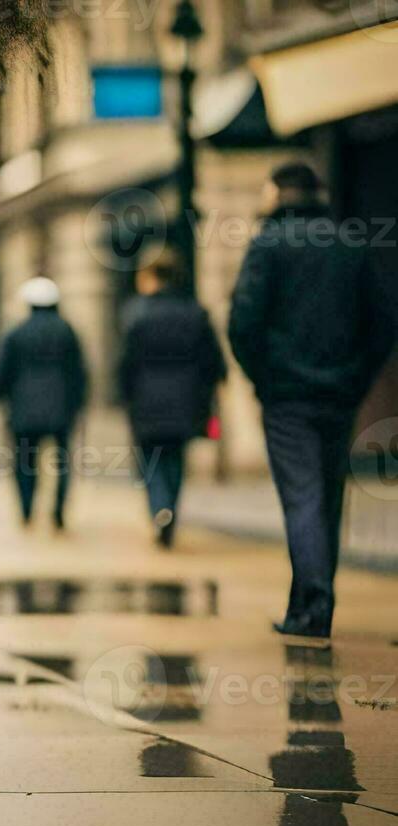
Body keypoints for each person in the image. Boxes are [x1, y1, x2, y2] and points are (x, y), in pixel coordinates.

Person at [229, 162, 396, 639]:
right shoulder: (351, 243)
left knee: (302, 498)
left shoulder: (267, 245)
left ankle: (314, 605)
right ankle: (307, 602)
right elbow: (383, 321)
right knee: (327, 498)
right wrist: (357, 378)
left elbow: (243, 324)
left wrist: (265, 378)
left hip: (288, 398)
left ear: (279, 193)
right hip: (340, 394)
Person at [117, 252, 227, 548]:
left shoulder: (136, 314)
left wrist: (125, 396)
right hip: (185, 399)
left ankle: (159, 508)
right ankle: (170, 511)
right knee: (176, 458)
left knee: (151, 461)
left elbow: (126, 362)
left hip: (146, 399)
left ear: (150, 278)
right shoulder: (194, 312)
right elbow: (213, 360)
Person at [0, 277, 88, 529]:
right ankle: (57, 511)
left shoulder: (16, 332)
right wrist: (78, 403)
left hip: (23, 409)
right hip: (61, 408)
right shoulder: (67, 331)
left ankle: (26, 508)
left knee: (25, 462)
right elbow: (79, 372)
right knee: (63, 462)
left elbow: (2, 372)